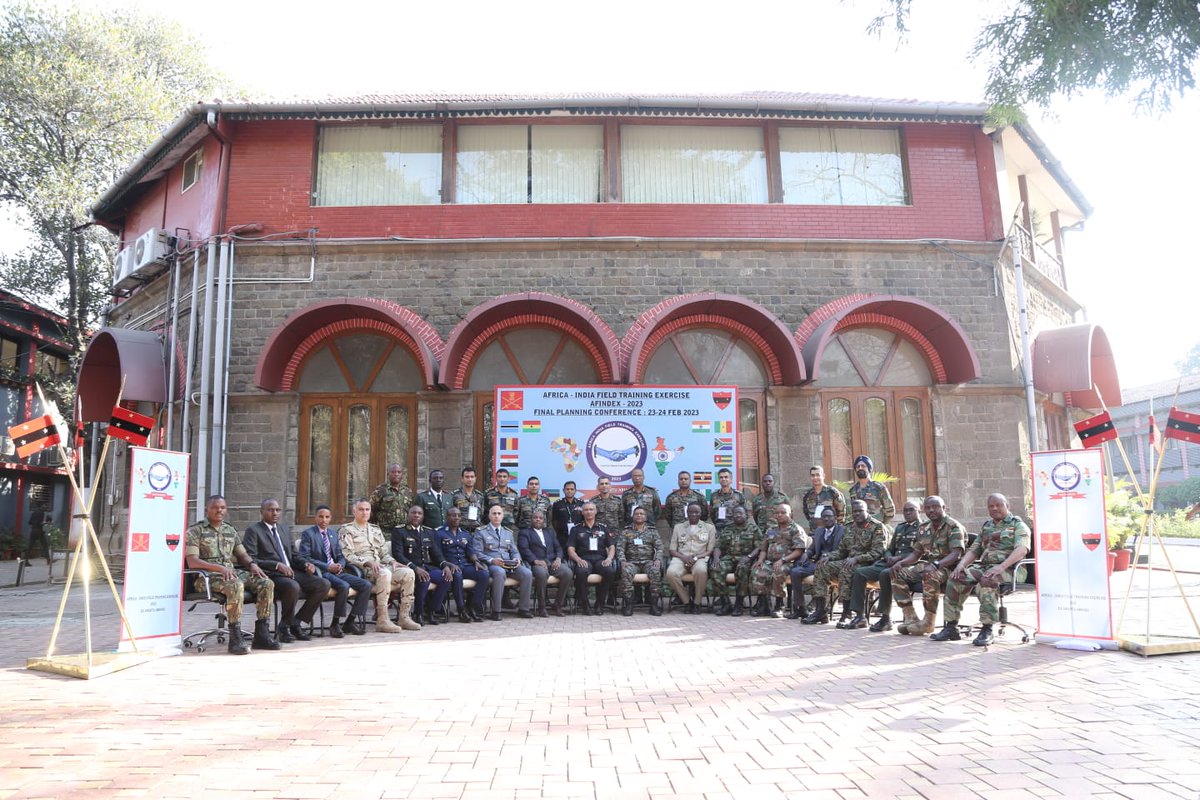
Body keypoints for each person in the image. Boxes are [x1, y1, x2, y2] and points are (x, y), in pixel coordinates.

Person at [931, 493, 1030, 646]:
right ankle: (951, 627)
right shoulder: (987, 526)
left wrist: (1001, 566)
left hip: (1010, 569)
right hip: (985, 566)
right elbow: (974, 550)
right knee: (956, 578)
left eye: (999, 505)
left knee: (986, 581)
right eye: (991, 506)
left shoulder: (1018, 525)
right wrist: (961, 565)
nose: (995, 508)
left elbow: (1022, 549)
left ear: (1007, 506)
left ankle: (987, 629)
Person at [185, 495, 278, 654]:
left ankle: (262, 634)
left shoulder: (230, 530)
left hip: (230, 572)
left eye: (222, 507)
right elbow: (193, 562)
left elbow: (242, 555)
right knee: (235, 585)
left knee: (266, 583)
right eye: (215, 507)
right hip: (206, 577)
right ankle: (235, 638)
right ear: (207, 509)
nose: (219, 510)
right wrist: (219, 568)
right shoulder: (196, 531)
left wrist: (252, 564)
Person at [242, 498, 331, 643]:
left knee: (323, 584)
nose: (275, 513)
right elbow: (252, 559)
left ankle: (295, 622)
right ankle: (284, 628)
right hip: (271, 574)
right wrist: (277, 565)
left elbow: (295, 556)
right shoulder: (254, 531)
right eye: (270, 510)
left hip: (291, 571)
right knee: (292, 586)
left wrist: (306, 564)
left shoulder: (284, 529)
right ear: (262, 512)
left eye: (277, 510)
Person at [339, 498, 421, 633]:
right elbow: (347, 555)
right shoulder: (346, 530)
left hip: (381, 566)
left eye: (367, 509)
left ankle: (404, 617)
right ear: (354, 511)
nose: (364, 512)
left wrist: (392, 562)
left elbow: (383, 553)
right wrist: (367, 562)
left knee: (408, 572)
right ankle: (382, 620)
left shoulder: (375, 529)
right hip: (363, 569)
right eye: (361, 509)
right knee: (385, 573)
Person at [840, 500, 923, 631]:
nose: (907, 513)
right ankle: (859, 615)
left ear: (919, 510)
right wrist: (889, 556)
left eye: (911, 510)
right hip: (890, 562)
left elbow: (919, 553)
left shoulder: (923, 528)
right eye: (905, 510)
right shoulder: (901, 527)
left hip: (909, 563)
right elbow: (890, 548)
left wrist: (899, 558)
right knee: (860, 572)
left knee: (885, 574)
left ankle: (885, 618)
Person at [889, 495, 965, 635]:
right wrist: (901, 563)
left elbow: (956, 554)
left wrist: (936, 565)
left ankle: (928, 621)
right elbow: (916, 554)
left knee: (930, 574)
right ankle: (910, 617)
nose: (931, 510)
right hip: (929, 565)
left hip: (949, 569)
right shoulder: (923, 528)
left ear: (943, 508)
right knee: (897, 573)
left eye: (935, 507)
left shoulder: (953, 527)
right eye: (928, 508)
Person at [802, 500, 886, 625]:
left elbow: (878, 552)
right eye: (854, 511)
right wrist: (828, 557)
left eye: (860, 511)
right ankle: (821, 611)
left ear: (867, 511)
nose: (857, 514)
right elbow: (841, 551)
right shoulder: (849, 526)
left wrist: (857, 559)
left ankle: (847, 612)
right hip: (848, 561)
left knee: (846, 570)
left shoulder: (877, 527)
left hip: (867, 563)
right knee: (822, 566)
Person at [297, 504, 372, 637]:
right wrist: (327, 567)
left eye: (327, 517)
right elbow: (305, 557)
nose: (324, 520)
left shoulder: (332, 533)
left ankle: (350, 621)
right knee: (344, 586)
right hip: (322, 572)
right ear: (315, 518)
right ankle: (335, 624)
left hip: (337, 571)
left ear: (330, 518)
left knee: (366, 585)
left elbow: (340, 555)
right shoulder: (308, 534)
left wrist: (340, 565)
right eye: (321, 517)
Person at [392, 505, 451, 626]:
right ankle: (418, 613)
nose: (416, 515)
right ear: (408, 514)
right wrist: (415, 568)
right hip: (410, 568)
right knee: (425, 580)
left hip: (428, 567)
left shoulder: (428, 532)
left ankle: (431, 611)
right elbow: (398, 555)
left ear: (423, 516)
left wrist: (445, 565)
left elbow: (436, 553)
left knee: (445, 577)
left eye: (419, 513)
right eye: (413, 512)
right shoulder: (400, 531)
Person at [473, 504, 534, 620]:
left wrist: (517, 559)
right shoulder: (481, 531)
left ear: (502, 516)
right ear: (489, 516)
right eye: (494, 513)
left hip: (509, 563)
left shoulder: (508, 532)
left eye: (499, 513)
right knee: (500, 573)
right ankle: (496, 611)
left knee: (527, 573)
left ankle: (523, 609)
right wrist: (491, 560)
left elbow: (514, 551)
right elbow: (477, 552)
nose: (496, 516)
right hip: (492, 565)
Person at [750, 504, 809, 618]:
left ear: (790, 514)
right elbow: (764, 548)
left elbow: (799, 550)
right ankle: (764, 604)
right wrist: (760, 560)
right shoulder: (771, 530)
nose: (780, 515)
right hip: (770, 561)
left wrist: (783, 560)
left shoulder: (796, 529)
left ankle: (779, 604)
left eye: (783, 512)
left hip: (788, 562)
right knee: (757, 571)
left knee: (778, 571)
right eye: (777, 513)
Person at [435, 507, 489, 622]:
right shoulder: (439, 533)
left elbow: (471, 551)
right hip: (450, 567)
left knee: (484, 574)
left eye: (459, 515)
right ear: (447, 516)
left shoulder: (465, 533)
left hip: (465, 565)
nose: (457, 518)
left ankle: (473, 606)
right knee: (458, 576)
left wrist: (476, 561)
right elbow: (437, 554)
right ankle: (461, 610)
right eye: (453, 515)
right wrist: (447, 565)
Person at [518, 508, 573, 616]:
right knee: (542, 574)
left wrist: (558, 558)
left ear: (544, 520)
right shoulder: (525, 532)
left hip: (553, 562)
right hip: (537, 563)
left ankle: (558, 605)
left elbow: (558, 547)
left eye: (540, 518)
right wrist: (535, 560)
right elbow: (524, 549)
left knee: (568, 573)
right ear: (531, 519)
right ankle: (542, 607)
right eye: (535, 518)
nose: (538, 520)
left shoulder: (550, 532)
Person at [567, 501, 618, 615]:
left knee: (609, 571)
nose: (589, 512)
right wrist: (578, 560)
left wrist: (609, 558)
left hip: (600, 559)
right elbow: (570, 549)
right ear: (582, 512)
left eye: (591, 509)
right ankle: (585, 604)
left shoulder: (603, 528)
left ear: (595, 512)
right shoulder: (576, 529)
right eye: (586, 510)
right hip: (584, 559)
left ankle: (599, 604)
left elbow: (611, 546)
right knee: (580, 572)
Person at [708, 505, 760, 617]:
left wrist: (749, 557)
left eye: (740, 513)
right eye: (735, 513)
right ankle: (725, 602)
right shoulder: (727, 528)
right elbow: (718, 546)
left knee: (742, 569)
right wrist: (716, 558)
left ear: (746, 515)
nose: (738, 515)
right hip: (729, 558)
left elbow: (759, 547)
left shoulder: (753, 529)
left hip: (745, 559)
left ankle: (739, 603)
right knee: (715, 568)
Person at [666, 502, 718, 614]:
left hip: (699, 558)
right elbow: (672, 549)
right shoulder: (678, 527)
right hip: (681, 558)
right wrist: (684, 558)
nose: (693, 514)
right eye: (691, 512)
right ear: (687, 513)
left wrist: (695, 558)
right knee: (671, 573)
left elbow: (710, 550)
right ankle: (686, 601)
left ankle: (697, 603)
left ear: (701, 513)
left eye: (696, 512)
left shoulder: (709, 528)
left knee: (701, 571)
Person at [616, 506, 663, 616]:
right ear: (633, 516)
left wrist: (658, 559)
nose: (639, 516)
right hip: (632, 562)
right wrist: (623, 561)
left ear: (646, 517)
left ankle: (654, 605)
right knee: (626, 571)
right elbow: (620, 548)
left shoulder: (652, 531)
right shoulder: (626, 531)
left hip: (648, 562)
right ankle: (628, 605)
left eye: (642, 514)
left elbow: (660, 547)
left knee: (656, 571)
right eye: (636, 514)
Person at [846, 455, 895, 525]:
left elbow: (890, 511)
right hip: (859, 530)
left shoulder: (879, 488)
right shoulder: (853, 490)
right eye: (858, 466)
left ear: (869, 469)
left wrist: (881, 525)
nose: (860, 468)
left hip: (876, 530)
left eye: (863, 466)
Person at [370, 463, 413, 537]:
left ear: (402, 475)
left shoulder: (407, 491)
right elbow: (371, 509)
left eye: (399, 472)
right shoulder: (380, 490)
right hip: (386, 533)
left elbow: (411, 510)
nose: (396, 474)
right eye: (393, 472)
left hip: (404, 532)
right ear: (388, 474)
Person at [450, 465, 487, 534]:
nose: (470, 479)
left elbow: (482, 514)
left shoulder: (480, 496)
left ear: (475, 478)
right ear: (462, 479)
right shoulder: (455, 495)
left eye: (472, 477)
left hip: (477, 532)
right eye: (467, 477)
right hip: (460, 531)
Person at [550, 480, 585, 553]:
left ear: (575, 491)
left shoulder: (581, 503)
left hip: (578, 535)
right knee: (563, 555)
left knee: (579, 553)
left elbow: (584, 520)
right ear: (563, 490)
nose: (569, 491)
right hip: (562, 535)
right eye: (567, 489)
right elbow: (554, 521)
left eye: (572, 489)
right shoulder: (558, 503)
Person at [709, 468, 745, 533]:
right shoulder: (714, 495)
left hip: (735, 531)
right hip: (719, 531)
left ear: (731, 479)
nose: (723, 479)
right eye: (721, 477)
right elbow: (712, 514)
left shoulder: (739, 495)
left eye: (726, 477)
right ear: (719, 480)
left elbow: (745, 514)